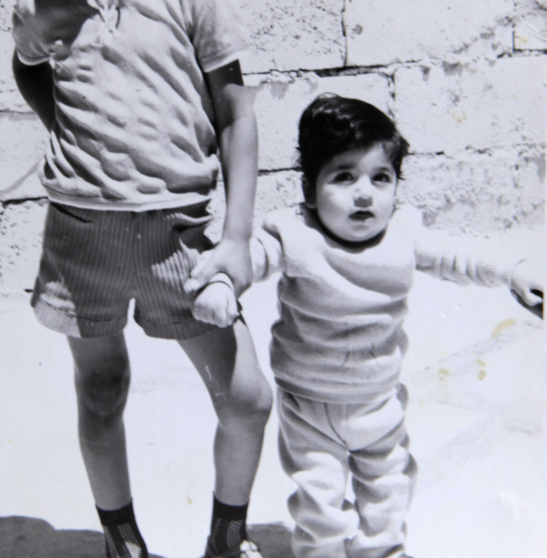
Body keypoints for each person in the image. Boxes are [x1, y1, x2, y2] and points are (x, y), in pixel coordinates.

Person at [11, 0, 272, 558]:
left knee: (247, 396)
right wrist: (76, 137)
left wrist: (235, 237)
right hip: (80, 232)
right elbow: (33, 71)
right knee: (100, 390)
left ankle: (227, 534)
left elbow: (237, 116)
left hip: (179, 234)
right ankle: (122, 540)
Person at [189, 94, 543, 558]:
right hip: (310, 407)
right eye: (344, 176)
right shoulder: (294, 232)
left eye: (381, 178)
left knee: (389, 494)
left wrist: (512, 271)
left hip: (378, 403)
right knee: (320, 508)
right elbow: (250, 258)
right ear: (311, 190)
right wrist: (220, 283)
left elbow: (461, 256)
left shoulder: (404, 232)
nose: (364, 193)